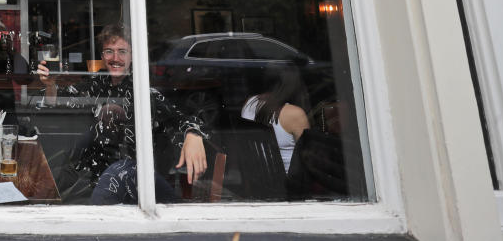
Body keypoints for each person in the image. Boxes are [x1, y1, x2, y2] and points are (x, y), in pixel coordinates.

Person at [36, 24, 208, 204]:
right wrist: (50, 85)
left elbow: (180, 118)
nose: (115, 58)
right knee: (51, 180)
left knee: (116, 171)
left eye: (122, 51)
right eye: (109, 51)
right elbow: (59, 100)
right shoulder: (97, 83)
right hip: (91, 177)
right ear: (102, 56)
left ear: (133, 55)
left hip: (134, 181)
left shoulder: (142, 89)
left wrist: (193, 134)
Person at [240, 65, 311, 172]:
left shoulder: (250, 102)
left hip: (258, 177)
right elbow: (309, 158)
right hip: (287, 184)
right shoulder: (294, 114)